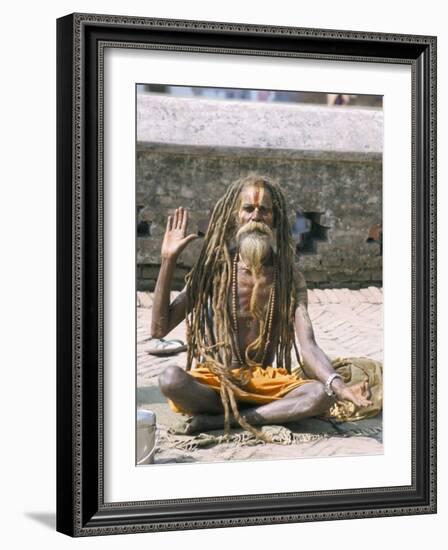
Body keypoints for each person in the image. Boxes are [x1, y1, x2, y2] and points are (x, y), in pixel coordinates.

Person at [151, 174, 377, 440]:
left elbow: (308, 346)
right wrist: (168, 260)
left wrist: (337, 385)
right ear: (236, 216)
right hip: (217, 381)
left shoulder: (288, 277)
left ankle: (221, 421)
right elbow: (159, 329)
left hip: (266, 384)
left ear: (275, 219)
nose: (256, 216)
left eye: (264, 210)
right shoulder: (213, 270)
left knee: (321, 395)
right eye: (248, 208)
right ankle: (262, 414)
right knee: (171, 380)